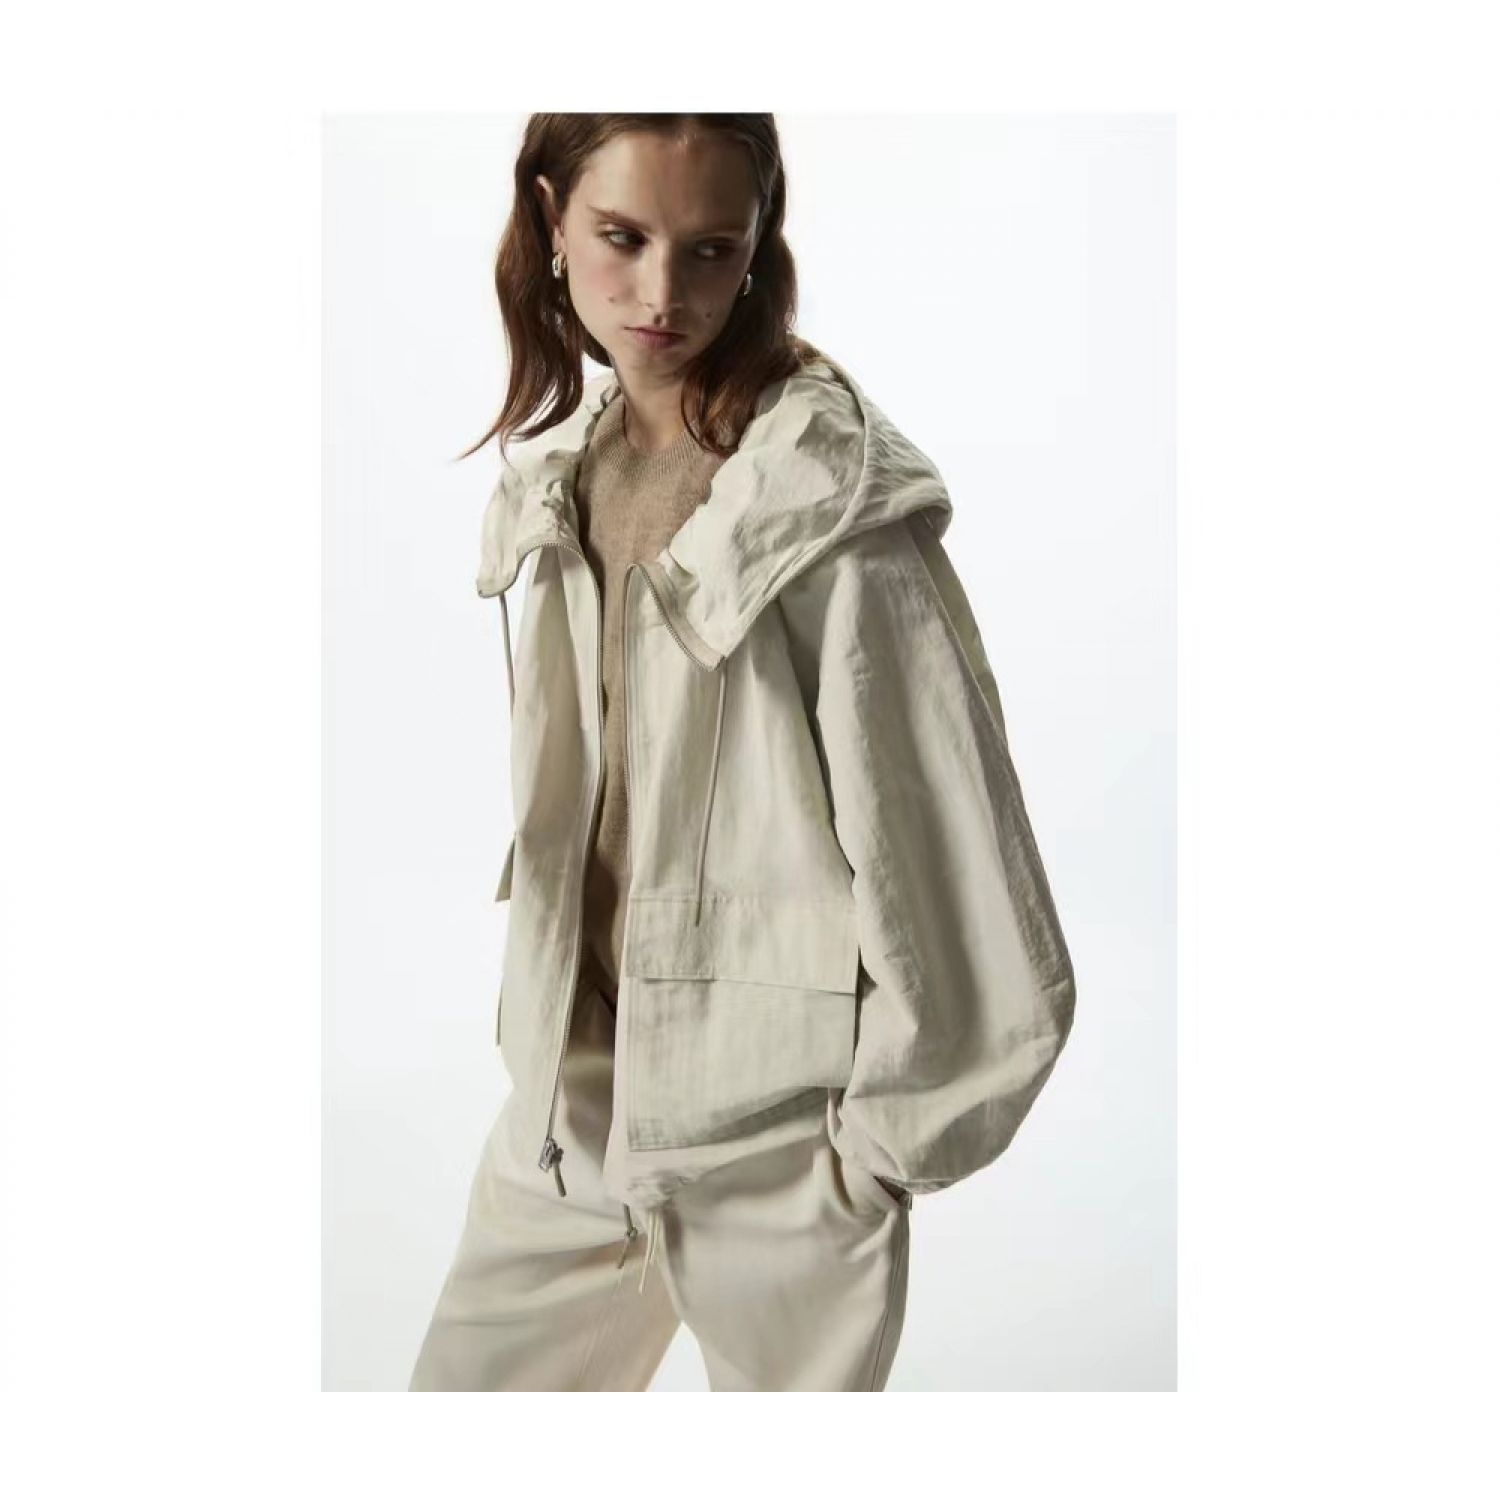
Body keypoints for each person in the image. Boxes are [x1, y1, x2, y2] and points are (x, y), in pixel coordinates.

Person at [408, 113, 1076, 1392]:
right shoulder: (564, 475)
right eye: (622, 237)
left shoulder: (824, 509)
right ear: (551, 220)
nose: (662, 292)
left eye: (711, 249)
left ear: (760, 241)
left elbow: (960, 866)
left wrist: (874, 1159)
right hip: (573, 1112)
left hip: (782, 1148)